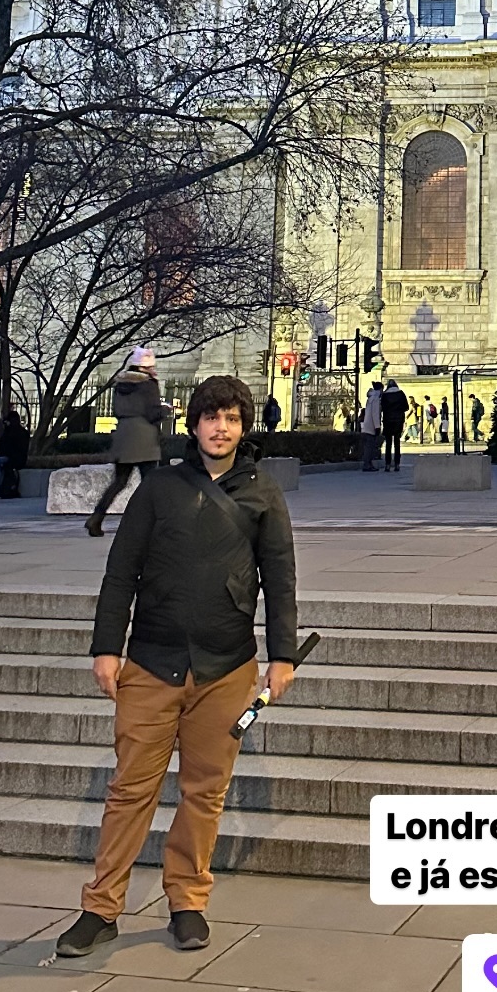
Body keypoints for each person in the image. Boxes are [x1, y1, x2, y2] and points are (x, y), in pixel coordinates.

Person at [54, 374, 299, 959]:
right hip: (152, 662)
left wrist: (283, 655)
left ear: (244, 427)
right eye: (211, 416)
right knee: (129, 791)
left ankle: (188, 900)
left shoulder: (263, 494)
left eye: (233, 419)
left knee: (204, 792)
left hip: (227, 668)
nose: (221, 428)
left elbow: (280, 577)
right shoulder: (158, 490)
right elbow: (121, 573)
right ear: (192, 424)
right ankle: (101, 908)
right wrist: (106, 647)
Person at [86, 348, 165, 538]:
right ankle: (154, 523)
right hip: (144, 435)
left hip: (123, 434)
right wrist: (165, 411)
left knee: (119, 481)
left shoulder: (120, 383)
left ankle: (96, 517)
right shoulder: (148, 384)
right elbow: (153, 411)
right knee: (152, 482)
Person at [380, 377, 408, 471]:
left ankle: (387, 464)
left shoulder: (385, 395)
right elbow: (406, 407)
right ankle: (397, 464)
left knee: (388, 443)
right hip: (398, 420)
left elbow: (382, 408)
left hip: (388, 420)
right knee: (397, 443)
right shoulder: (400, 394)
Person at [360, 379, 383, 472]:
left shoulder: (370, 397)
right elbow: (375, 413)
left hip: (367, 425)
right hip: (371, 426)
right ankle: (367, 464)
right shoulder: (376, 399)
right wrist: (377, 426)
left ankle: (368, 464)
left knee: (368, 447)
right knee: (370, 447)